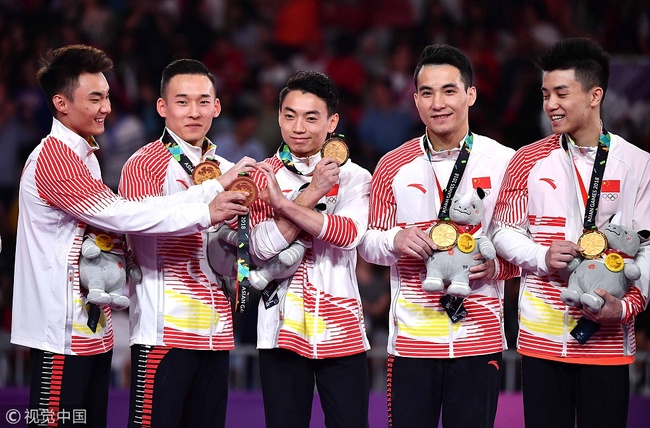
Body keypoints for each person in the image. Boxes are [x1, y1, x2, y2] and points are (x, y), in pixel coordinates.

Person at [11, 45, 251, 427]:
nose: (106, 107)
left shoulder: (85, 155)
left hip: (93, 328)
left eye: (107, 96)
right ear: (61, 103)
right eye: (95, 98)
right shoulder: (54, 157)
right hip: (59, 333)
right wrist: (208, 199)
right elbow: (123, 216)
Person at [490, 37, 650, 428]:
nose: (550, 105)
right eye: (545, 94)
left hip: (607, 338)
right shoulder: (527, 158)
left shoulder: (637, 163)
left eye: (562, 93)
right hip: (542, 336)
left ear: (595, 95)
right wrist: (540, 256)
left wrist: (627, 306)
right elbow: (502, 231)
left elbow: (647, 247)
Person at [358, 44, 518, 428]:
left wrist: (494, 267)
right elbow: (368, 243)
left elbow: (520, 252)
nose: (438, 102)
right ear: (415, 100)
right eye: (427, 93)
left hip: (479, 340)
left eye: (449, 90)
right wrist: (394, 241)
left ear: (471, 94)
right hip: (412, 340)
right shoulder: (392, 163)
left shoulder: (505, 162)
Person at [118, 59, 257, 428]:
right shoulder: (143, 163)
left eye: (202, 101)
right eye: (182, 102)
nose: (193, 112)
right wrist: (208, 206)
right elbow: (140, 224)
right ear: (162, 107)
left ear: (217, 106)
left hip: (216, 331)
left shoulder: (230, 168)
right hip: (164, 332)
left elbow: (247, 243)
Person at [248, 70, 372, 427]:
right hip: (278, 330)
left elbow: (348, 234)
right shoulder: (260, 176)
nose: (298, 127)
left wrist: (285, 206)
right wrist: (313, 194)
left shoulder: (355, 177)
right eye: (290, 115)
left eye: (311, 117)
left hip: (342, 328)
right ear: (279, 117)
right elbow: (260, 248)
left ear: (332, 122)